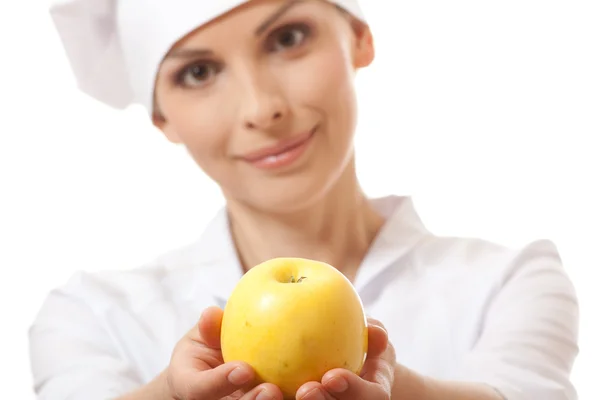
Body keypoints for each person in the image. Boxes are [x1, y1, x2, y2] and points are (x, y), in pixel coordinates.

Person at [30, 0, 579, 399]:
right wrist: (171, 395)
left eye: (287, 38)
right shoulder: (91, 316)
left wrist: (396, 386)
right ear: (162, 119)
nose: (261, 108)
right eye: (199, 72)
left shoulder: (512, 280)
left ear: (360, 38)